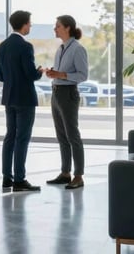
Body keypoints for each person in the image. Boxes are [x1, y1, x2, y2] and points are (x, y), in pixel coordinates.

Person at [0, 10, 44, 192]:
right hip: (25, 99)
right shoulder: (26, 46)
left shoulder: (2, 46)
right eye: (30, 23)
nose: (30, 26)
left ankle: (6, 178)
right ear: (24, 24)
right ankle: (19, 180)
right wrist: (39, 71)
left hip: (8, 97)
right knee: (22, 138)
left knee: (10, 137)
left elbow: (0, 75)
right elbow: (31, 74)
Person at [45, 15, 88, 190]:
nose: (55, 29)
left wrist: (61, 75)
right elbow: (62, 72)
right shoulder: (61, 48)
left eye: (58, 26)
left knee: (73, 136)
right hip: (56, 93)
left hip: (68, 94)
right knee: (61, 136)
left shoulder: (78, 49)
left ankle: (78, 176)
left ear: (67, 28)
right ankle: (65, 173)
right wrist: (53, 73)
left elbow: (83, 75)